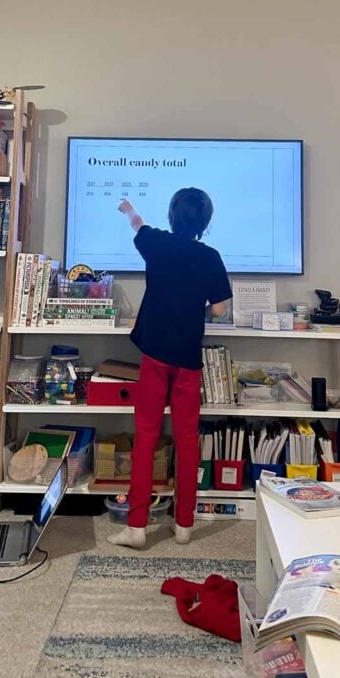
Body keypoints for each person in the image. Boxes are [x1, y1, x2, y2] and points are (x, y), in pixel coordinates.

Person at [109, 189, 232, 549]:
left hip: (154, 357)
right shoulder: (210, 256)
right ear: (206, 223)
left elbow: (137, 224)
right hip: (188, 361)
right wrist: (200, 312)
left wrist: (129, 207)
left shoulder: (156, 242)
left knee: (146, 437)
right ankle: (184, 525)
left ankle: (136, 527)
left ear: (172, 215)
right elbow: (221, 309)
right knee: (187, 439)